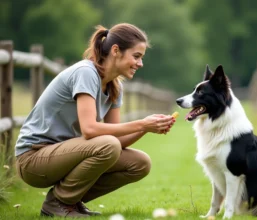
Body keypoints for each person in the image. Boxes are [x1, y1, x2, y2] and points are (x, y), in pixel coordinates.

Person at [15, 23, 175, 218]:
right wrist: (142, 123)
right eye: (136, 56)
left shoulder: (115, 85)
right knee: (107, 145)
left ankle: (70, 201)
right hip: (33, 159)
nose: (140, 63)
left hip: (65, 154)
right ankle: (58, 203)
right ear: (116, 50)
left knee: (140, 163)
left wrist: (147, 127)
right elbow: (89, 130)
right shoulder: (86, 72)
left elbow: (118, 141)